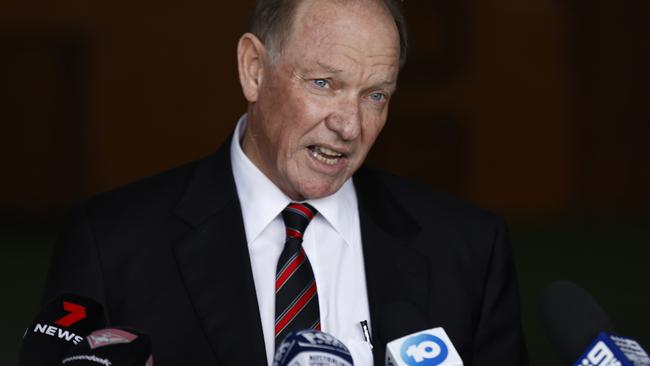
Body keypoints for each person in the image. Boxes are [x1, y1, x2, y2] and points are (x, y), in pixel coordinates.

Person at [45, 0, 529, 365]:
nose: (350, 126)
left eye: (375, 95)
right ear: (254, 70)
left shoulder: (468, 248)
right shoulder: (112, 244)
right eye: (324, 84)